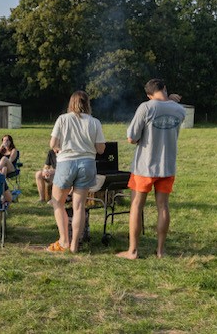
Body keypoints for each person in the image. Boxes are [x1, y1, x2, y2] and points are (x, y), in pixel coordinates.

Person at [117, 79, 186, 260]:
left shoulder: (146, 108)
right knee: (163, 207)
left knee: (136, 206)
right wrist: (171, 100)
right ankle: (161, 251)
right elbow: (169, 106)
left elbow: (131, 138)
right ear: (165, 88)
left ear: (148, 95)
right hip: (167, 166)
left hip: (144, 167)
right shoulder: (179, 110)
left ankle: (132, 251)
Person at [48, 91, 106, 253]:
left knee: (57, 202)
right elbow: (101, 149)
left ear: (71, 103)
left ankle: (64, 240)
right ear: (87, 104)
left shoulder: (63, 119)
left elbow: (53, 143)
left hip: (66, 163)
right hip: (87, 164)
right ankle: (74, 246)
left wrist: (58, 147)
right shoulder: (95, 122)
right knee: (79, 206)